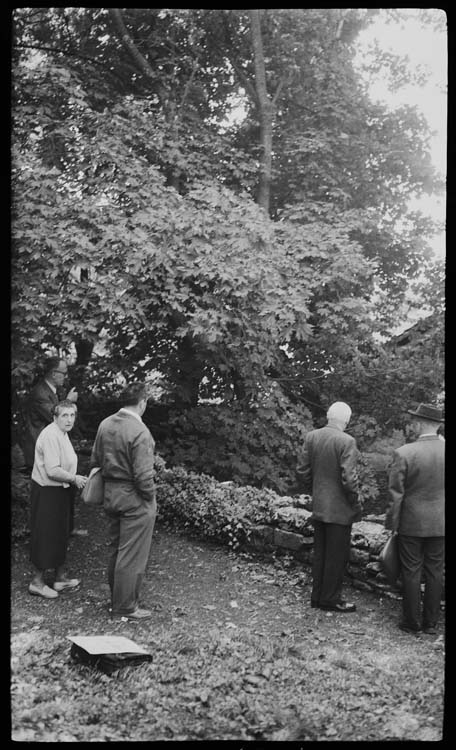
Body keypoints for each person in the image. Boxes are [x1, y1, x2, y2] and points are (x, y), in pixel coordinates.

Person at [89, 382, 157, 621]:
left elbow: (95, 459)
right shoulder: (140, 432)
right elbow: (143, 476)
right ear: (142, 402)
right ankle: (125, 608)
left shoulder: (105, 424)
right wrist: (149, 498)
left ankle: (117, 600)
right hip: (134, 497)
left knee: (117, 550)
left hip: (111, 494)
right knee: (132, 555)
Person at [297, 401, 362, 612]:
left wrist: (316, 491)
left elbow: (302, 471)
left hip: (319, 505)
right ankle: (331, 599)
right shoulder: (347, 441)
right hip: (340, 509)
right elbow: (349, 480)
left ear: (328, 415)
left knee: (321, 554)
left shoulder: (312, 436)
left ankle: (317, 597)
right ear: (347, 420)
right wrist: (355, 502)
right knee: (336, 556)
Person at [385, 403, 445, 635]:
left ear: (419, 424)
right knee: (435, 571)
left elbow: (395, 495)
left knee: (411, 571)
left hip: (411, 523)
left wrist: (392, 525)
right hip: (440, 523)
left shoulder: (405, 452)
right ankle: (431, 623)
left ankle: (411, 622)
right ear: (439, 425)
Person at [21, 356, 87, 537]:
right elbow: (54, 417)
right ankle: (47, 534)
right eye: (63, 373)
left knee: (65, 490)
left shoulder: (52, 390)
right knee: (48, 496)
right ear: (52, 373)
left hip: (56, 451)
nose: (65, 376)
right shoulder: (40, 393)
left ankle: (65, 529)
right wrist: (69, 401)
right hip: (42, 454)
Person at [28, 400, 87, 599]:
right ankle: (37, 582)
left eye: (72, 415)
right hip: (47, 492)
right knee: (46, 534)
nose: (69, 419)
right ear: (55, 417)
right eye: (64, 415)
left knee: (62, 532)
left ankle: (60, 578)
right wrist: (74, 478)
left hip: (61, 491)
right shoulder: (51, 434)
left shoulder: (62, 433)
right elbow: (52, 470)